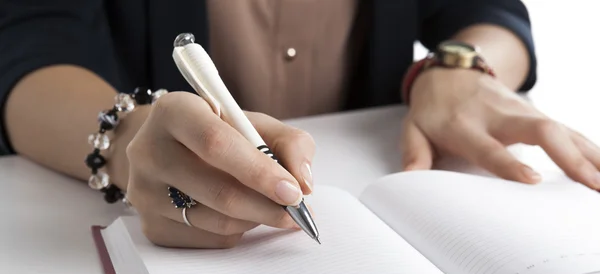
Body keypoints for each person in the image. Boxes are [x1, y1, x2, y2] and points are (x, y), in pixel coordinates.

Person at [1, 1, 598, 249]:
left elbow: (488, 12)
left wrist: (461, 68)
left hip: (375, 164)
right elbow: (26, 48)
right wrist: (132, 136)